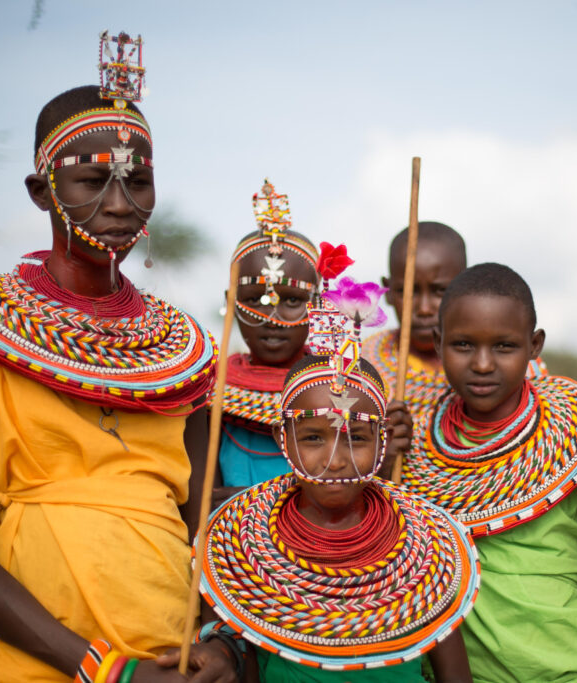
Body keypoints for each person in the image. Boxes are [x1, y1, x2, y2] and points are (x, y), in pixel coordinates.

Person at [0, 78, 237, 682]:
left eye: (138, 181)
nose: (122, 204)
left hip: (168, 658)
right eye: (94, 181)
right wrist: (103, 671)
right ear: (41, 192)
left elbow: (211, 523)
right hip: (35, 665)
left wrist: (223, 640)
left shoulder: (182, 352)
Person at [197, 273, 477, 682]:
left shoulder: (427, 551)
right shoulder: (244, 547)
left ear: (383, 440)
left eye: (357, 436)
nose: (335, 460)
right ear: (284, 440)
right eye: (313, 436)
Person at [396, 262, 577, 682]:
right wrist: (387, 460)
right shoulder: (413, 449)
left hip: (573, 670)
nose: (484, 364)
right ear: (437, 345)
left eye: (505, 347)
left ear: (534, 345)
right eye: (463, 345)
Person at [363, 223, 546, 424]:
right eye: (409, 292)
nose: (424, 308)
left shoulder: (524, 367)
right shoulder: (364, 369)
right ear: (388, 291)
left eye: (440, 290)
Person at [215, 180, 324, 493]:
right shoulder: (211, 392)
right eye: (255, 300)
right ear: (230, 301)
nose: (272, 319)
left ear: (316, 305)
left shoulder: (337, 389)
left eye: (291, 301)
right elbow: (198, 504)